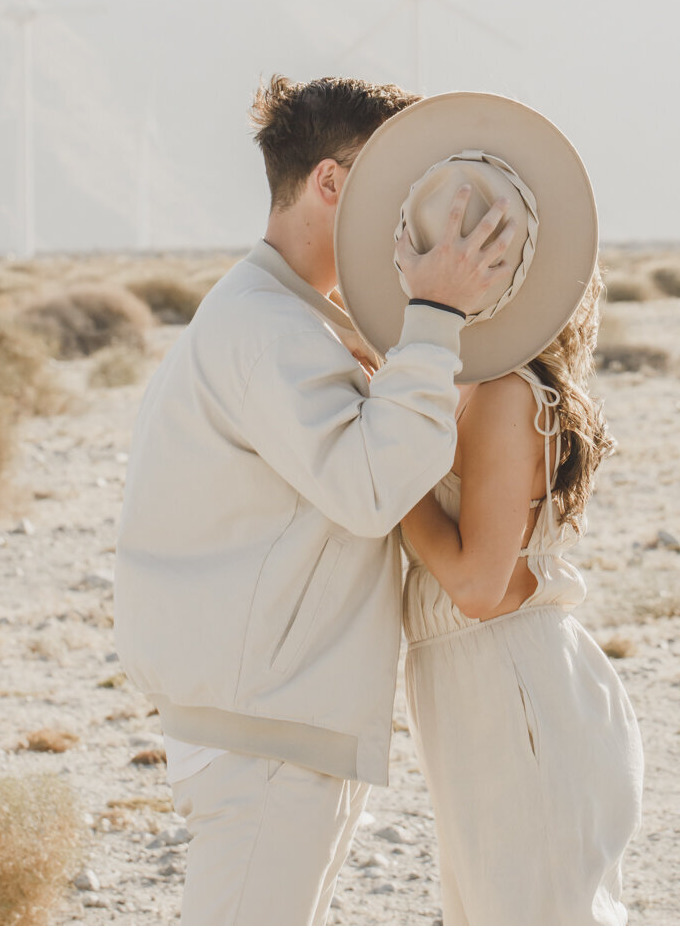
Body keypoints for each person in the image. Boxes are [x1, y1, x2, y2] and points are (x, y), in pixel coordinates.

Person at [113, 74, 517, 926]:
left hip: (272, 722)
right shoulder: (270, 330)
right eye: (393, 180)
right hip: (264, 734)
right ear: (331, 183)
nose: (415, 209)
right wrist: (437, 313)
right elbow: (371, 489)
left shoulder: (288, 318)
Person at [334, 89, 643, 926]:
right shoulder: (452, 383)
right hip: (477, 690)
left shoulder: (507, 394)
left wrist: (382, 469)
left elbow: (477, 585)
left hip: (516, 689)